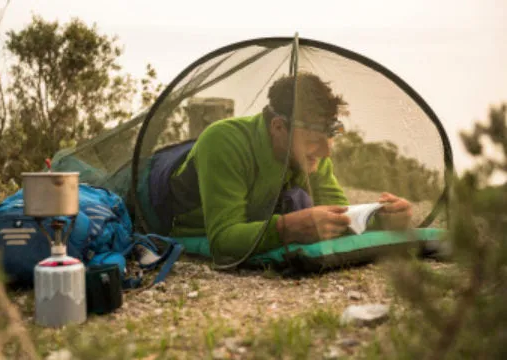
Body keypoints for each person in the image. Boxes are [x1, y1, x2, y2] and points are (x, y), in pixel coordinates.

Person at [140, 72, 412, 262]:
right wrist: (287, 228)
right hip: (149, 196)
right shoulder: (223, 141)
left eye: (331, 136)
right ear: (279, 127)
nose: (327, 150)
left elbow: (338, 213)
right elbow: (223, 239)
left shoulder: (312, 154)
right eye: (314, 139)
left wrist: (379, 218)